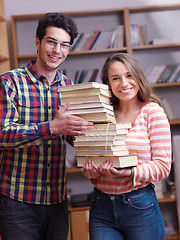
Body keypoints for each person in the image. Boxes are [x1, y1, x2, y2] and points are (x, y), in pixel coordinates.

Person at [0, 12, 93, 240]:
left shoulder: (69, 86)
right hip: (17, 201)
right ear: (38, 42)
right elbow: (3, 134)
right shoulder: (9, 82)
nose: (57, 51)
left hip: (57, 199)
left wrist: (90, 130)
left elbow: (71, 135)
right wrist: (51, 127)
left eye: (64, 45)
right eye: (51, 42)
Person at [81, 53, 172, 240]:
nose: (124, 83)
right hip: (101, 206)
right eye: (116, 78)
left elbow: (163, 167)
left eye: (129, 75)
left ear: (138, 77)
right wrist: (92, 172)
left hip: (140, 206)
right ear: (108, 84)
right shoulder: (101, 116)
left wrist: (129, 172)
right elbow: (95, 160)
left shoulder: (153, 112)